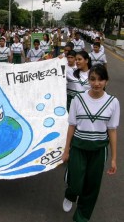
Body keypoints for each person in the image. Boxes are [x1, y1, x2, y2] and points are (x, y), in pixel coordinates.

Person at [62, 64, 120, 222]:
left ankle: (81, 217)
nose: (96, 83)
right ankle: (70, 194)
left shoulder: (113, 102)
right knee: (76, 183)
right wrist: (66, 150)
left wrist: (114, 158)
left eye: (101, 79)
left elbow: (112, 130)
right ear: (88, 80)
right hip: (79, 147)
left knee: (92, 187)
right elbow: (72, 126)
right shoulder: (78, 99)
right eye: (93, 79)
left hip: (99, 150)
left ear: (106, 81)